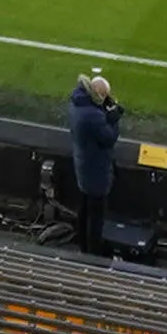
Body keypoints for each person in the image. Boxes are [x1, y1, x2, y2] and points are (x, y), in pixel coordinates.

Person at [67, 69, 127, 251]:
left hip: (83, 164)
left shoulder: (78, 104)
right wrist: (113, 120)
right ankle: (92, 252)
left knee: (85, 207)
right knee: (96, 215)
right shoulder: (92, 116)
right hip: (95, 170)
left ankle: (83, 245)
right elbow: (108, 138)